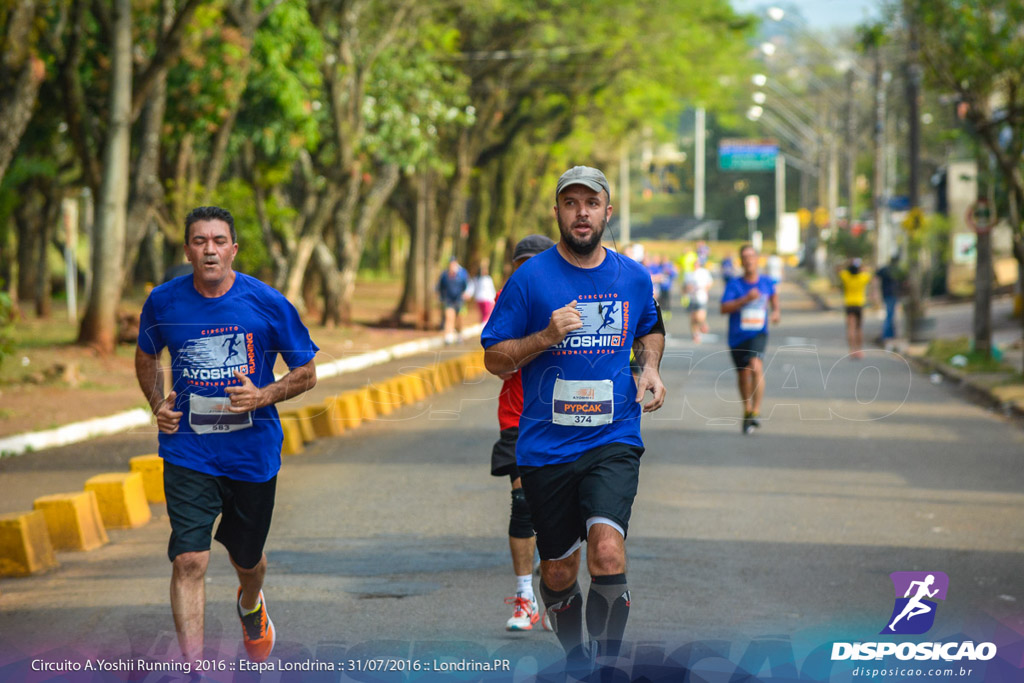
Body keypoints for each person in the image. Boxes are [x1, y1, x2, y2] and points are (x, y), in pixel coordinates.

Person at [481, 165, 666, 670]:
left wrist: (648, 367)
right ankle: (576, 659)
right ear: (558, 212)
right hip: (546, 446)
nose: (581, 212)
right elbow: (495, 358)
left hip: (613, 436)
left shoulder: (632, 276)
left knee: (606, 552)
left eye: (591, 203)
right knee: (560, 571)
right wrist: (543, 337)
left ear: (608, 211)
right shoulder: (530, 278)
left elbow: (651, 326)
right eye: (571, 203)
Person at [135, 206, 318, 664]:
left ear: (233, 249)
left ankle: (250, 602)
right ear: (188, 250)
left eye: (219, 241)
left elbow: (307, 372)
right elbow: (145, 354)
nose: (210, 250)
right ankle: (193, 670)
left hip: (251, 452)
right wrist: (157, 403)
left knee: (247, 558)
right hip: (188, 449)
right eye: (200, 241)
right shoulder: (164, 301)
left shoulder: (267, 302)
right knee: (189, 560)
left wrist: (264, 395)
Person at [490, 234, 556, 632]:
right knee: (523, 504)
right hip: (518, 417)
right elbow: (500, 362)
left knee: (563, 514)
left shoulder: (569, 294)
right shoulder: (506, 299)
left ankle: (556, 596)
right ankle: (524, 597)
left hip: (567, 415)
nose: (528, 271)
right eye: (521, 264)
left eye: (536, 263)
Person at [720, 244, 780, 434]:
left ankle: (756, 410)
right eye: (745, 257)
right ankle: (747, 408)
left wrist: (776, 311)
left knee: (756, 366)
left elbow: (773, 297)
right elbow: (724, 308)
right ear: (741, 261)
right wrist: (745, 300)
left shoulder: (766, 282)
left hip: (758, 333)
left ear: (757, 259)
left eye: (751, 256)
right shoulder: (734, 284)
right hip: (737, 336)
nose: (749, 260)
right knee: (742, 375)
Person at [839, 257, 874, 359]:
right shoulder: (862, 277)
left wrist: (848, 264)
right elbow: (869, 272)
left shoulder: (846, 276)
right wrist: (862, 267)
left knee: (850, 328)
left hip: (849, 304)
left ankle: (851, 350)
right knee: (859, 329)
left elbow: (840, 270)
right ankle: (859, 350)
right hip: (859, 304)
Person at [437, 256, 469, 344]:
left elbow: (466, 286)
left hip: (459, 300)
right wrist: (441, 297)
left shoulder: (461, 275)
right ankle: (448, 336)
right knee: (449, 317)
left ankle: (459, 335)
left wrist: (465, 294)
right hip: (448, 300)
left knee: (459, 319)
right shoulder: (445, 275)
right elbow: (440, 286)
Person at [684, 259, 713, 343]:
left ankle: (703, 324)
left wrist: (706, 289)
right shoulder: (688, 274)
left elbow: (710, 283)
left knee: (699, 316)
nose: (695, 265)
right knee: (693, 318)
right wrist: (687, 289)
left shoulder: (704, 272)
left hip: (701, 297)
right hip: (691, 298)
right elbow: (684, 287)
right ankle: (696, 334)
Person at [876, 255, 902, 346]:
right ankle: (886, 336)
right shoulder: (894, 270)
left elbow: (876, 277)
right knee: (890, 315)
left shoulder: (885, 269)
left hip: (887, 294)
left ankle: (890, 335)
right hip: (892, 294)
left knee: (891, 314)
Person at [468, 259, 498, 323]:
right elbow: (471, 288)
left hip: (487, 299)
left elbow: (492, 289)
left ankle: (483, 325)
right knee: (484, 315)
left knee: (486, 315)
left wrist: (495, 298)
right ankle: (483, 326)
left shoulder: (488, 279)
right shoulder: (476, 279)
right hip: (481, 299)